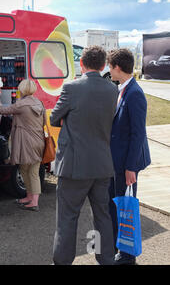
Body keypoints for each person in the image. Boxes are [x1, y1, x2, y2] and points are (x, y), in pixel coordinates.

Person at [50, 46, 118, 265]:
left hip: (73, 166)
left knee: (67, 219)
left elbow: (53, 118)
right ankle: (105, 258)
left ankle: (63, 262)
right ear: (103, 66)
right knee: (102, 217)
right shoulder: (112, 89)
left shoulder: (72, 87)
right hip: (102, 165)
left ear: (82, 64)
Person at [107, 48, 151, 265]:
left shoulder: (134, 93)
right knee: (116, 205)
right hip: (116, 162)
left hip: (126, 164)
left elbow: (138, 133)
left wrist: (131, 168)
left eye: (109, 66)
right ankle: (119, 248)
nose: (108, 70)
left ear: (117, 67)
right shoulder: (122, 89)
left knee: (125, 208)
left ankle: (127, 256)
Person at [0, 79, 45, 211]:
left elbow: (3, 110)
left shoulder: (21, 104)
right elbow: (44, 122)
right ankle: (29, 197)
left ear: (22, 90)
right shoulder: (39, 103)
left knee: (31, 172)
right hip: (38, 141)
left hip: (26, 142)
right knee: (26, 169)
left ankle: (34, 202)